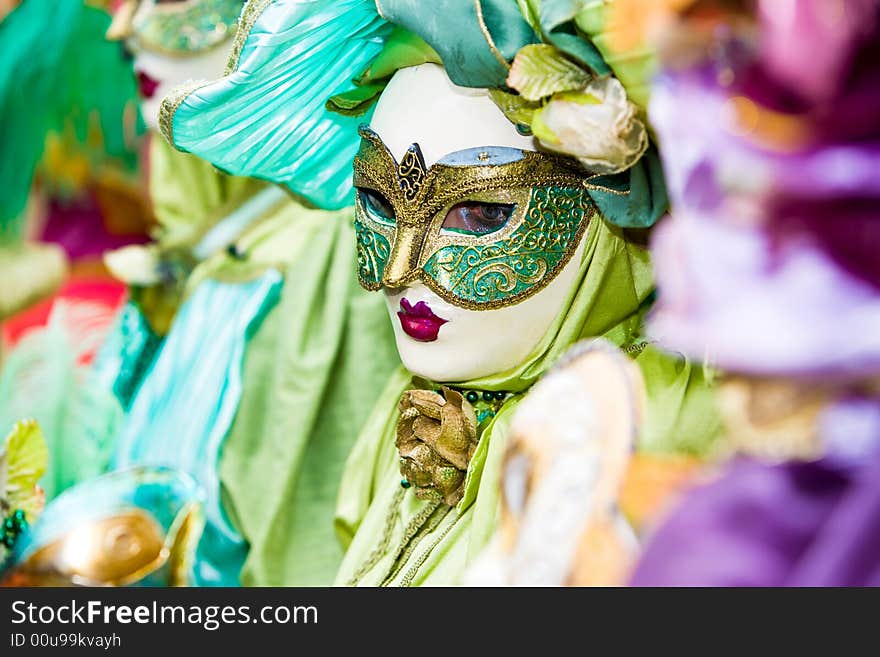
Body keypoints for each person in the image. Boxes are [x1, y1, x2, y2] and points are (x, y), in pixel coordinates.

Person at [161, 0, 722, 586]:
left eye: (479, 213)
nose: (401, 269)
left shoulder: (654, 447)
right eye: (377, 202)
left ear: (618, 213)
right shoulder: (419, 411)